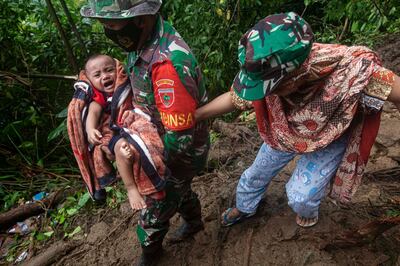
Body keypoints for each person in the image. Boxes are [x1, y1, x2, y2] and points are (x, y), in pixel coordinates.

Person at [196, 12, 400, 228]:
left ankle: (309, 211)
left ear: (298, 72)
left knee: (301, 197)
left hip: (331, 135)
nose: (266, 94)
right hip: (284, 128)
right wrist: (197, 115)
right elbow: (235, 98)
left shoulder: (352, 72)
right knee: (254, 174)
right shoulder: (266, 72)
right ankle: (245, 206)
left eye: (274, 87)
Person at [80, 1, 209, 265]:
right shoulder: (144, 40)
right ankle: (194, 222)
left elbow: (179, 136)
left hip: (174, 153)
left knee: (153, 211)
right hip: (158, 136)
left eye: (112, 25)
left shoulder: (166, 64)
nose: (109, 31)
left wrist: (149, 169)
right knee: (181, 191)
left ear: (140, 19)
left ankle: (151, 253)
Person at [84, 54, 147, 210]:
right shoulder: (99, 96)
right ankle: (131, 189)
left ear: (117, 71)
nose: (105, 76)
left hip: (134, 125)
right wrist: (90, 129)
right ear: (90, 81)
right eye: (97, 75)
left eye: (109, 70)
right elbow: (92, 113)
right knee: (120, 147)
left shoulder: (126, 84)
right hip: (114, 132)